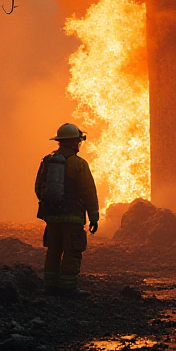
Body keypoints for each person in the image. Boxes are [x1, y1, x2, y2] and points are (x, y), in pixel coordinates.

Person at [35, 123, 100, 298]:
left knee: (54, 250)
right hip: (73, 217)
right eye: (77, 141)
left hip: (52, 217)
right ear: (72, 142)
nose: (78, 145)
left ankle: (50, 286)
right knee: (72, 251)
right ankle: (68, 287)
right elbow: (88, 192)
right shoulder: (79, 164)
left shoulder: (47, 161)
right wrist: (94, 216)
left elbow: (39, 187)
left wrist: (50, 205)